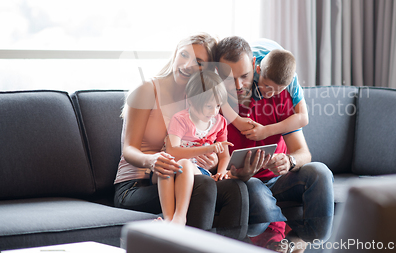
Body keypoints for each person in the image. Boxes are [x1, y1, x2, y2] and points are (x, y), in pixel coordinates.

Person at [113, 34, 248, 239]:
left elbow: (202, 145)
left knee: (236, 189)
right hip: (135, 185)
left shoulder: (197, 99)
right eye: (184, 54)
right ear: (175, 53)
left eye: (199, 62)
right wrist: (151, 160)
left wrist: (211, 162)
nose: (187, 64)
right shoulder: (147, 90)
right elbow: (129, 149)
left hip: (181, 173)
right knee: (203, 186)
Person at [215, 36, 334, 250]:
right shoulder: (215, 106)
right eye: (229, 78)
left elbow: (303, 152)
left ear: (255, 67)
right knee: (252, 186)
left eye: (243, 76)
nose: (239, 85)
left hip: (278, 179)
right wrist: (241, 174)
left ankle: (303, 239)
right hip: (245, 182)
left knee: (320, 172)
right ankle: (285, 233)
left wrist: (289, 161)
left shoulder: (278, 91)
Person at [154, 70, 233, 225]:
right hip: (167, 171)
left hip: (197, 172)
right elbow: (173, 151)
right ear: (190, 100)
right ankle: (170, 218)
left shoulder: (219, 122)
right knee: (170, 162)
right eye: (208, 106)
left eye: (218, 106)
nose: (214, 111)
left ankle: (179, 217)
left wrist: (222, 171)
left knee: (185, 164)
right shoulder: (181, 120)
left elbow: (224, 155)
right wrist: (208, 149)